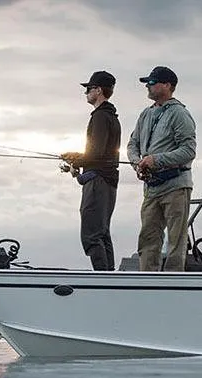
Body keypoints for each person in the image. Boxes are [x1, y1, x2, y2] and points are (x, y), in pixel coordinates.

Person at [127, 66, 197, 272]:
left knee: (176, 241)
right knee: (148, 238)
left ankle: (173, 282)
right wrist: (137, 164)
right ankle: (147, 282)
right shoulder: (145, 114)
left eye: (152, 82)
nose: (147, 87)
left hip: (176, 186)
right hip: (151, 189)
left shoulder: (180, 114)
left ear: (167, 86)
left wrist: (155, 160)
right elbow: (132, 144)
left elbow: (188, 151)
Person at [61, 70, 121, 271]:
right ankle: (109, 277)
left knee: (91, 235)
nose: (86, 92)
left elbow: (96, 153)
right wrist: (77, 157)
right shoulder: (110, 116)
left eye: (88, 88)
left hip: (98, 183)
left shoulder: (100, 117)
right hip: (106, 181)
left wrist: (76, 159)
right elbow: (100, 152)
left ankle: (103, 278)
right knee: (102, 232)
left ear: (98, 90)